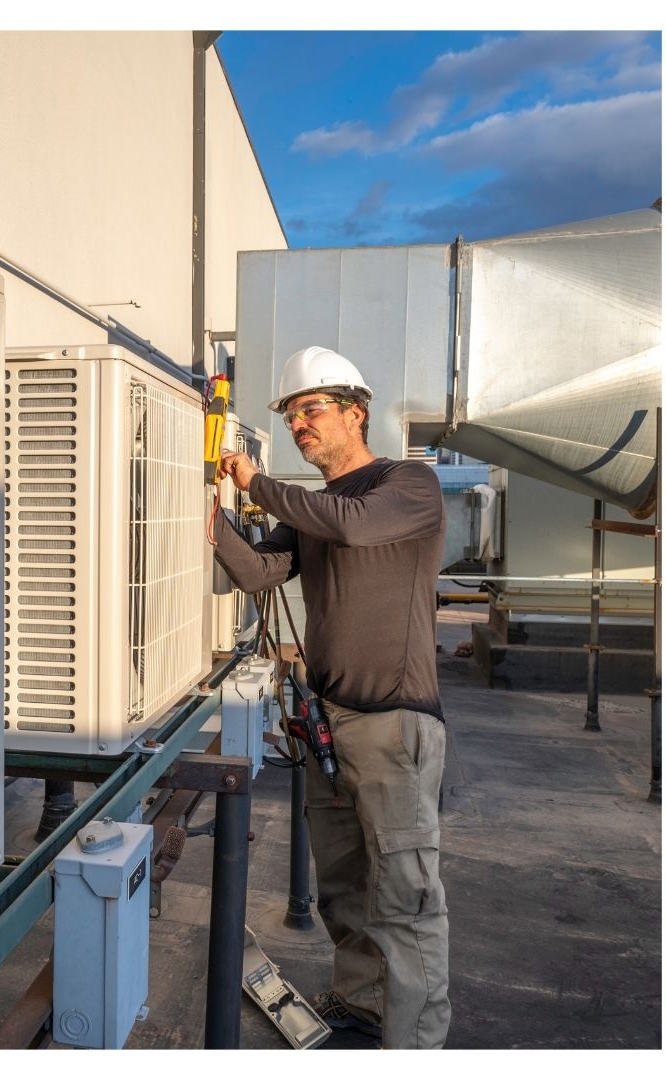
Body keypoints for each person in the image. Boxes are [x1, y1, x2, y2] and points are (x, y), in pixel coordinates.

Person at [213, 345, 450, 1050]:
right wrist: (207, 513)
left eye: (311, 410)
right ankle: (361, 1004)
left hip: (394, 728)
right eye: (291, 416)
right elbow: (259, 573)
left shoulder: (407, 485)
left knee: (405, 897)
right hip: (328, 722)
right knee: (343, 887)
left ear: (356, 412)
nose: (300, 426)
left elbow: (353, 526)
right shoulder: (313, 511)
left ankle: (415, 1045)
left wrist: (257, 481)